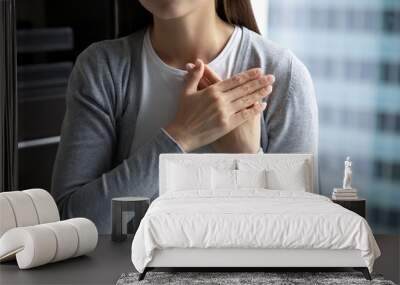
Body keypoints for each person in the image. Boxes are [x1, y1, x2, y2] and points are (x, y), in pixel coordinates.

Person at [51, 0, 319, 234]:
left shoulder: (284, 75)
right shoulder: (102, 68)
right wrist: (180, 137)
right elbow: (71, 221)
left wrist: (247, 160)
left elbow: (300, 234)